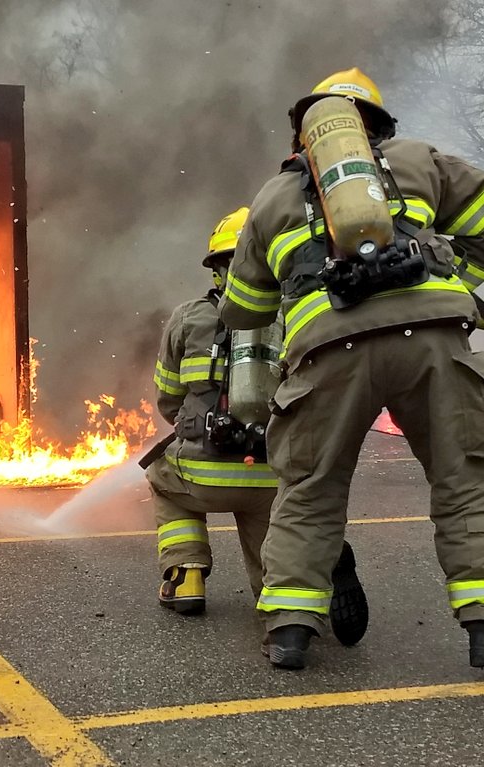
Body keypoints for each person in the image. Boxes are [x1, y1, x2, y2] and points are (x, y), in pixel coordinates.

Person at [218, 67, 484, 670]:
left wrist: (297, 300)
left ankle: (291, 629)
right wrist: (452, 282)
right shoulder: (420, 159)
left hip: (329, 353)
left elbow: (243, 308)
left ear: (301, 137)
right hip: (435, 342)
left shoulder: (271, 197)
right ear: (379, 125)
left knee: (310, 490)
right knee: (465, 479)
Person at [143, 207, 368, 648]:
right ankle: (284, 599)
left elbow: (168, 399)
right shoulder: (302, 317)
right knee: (281, 541)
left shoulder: (188, 317)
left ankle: (184, 575)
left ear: (218, 268)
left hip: (200, 475)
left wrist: (200, 433)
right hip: (273, 475)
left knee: (162, 480)